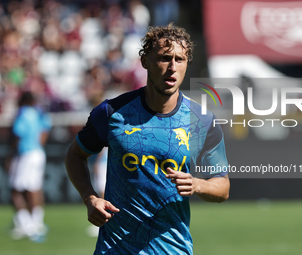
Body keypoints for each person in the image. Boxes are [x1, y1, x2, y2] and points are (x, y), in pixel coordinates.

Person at [65, 23, 230, 254]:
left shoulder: (201, 120)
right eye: (164, 58)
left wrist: (197, 184)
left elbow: (223, 187)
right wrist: (89, 198)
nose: (172, 67)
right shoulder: (111, 112)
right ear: (145, 61)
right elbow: (75, 155)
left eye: (180, 59)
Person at [5, 91, 51, 242]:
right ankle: (37, 222)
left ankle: (27, 225)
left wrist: (11, 155)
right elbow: (45, 129)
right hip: (38, 152)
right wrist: (39, 145)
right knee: (34, 188)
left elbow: (19, 134)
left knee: (15, 189)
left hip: (25, 153)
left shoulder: (22, 113)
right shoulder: (39, 112)